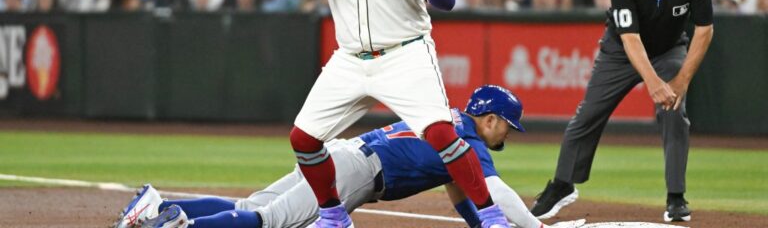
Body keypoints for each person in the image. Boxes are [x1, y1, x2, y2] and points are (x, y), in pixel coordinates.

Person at [277, 0, 509, 228]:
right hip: (350, 59)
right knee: (303, 139)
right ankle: (333, 215)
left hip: (405, 54)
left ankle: (492, 217)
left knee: (442, 134)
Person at [113, 86, 585, 228]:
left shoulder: (444, 119)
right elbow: (495, 193)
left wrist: (477, 224)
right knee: (268, 222)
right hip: (357, 171)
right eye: (508, 126)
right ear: (492, 119)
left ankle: (157, 205)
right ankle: (178, 226)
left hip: (340, 155)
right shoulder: (470, 142)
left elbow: (463, 192)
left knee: (251, 207)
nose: (508, 135)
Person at [529, 0, 714, 223]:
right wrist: (653, 82)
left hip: (669, 49)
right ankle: (562, 184)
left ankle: (676, 198)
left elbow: (705, 29)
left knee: (674, 112)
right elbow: (630, 38)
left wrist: (681, 80)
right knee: (588, 114)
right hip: (620, 50)